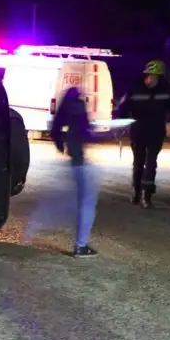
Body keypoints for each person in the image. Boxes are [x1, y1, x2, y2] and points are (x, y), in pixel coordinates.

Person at [115, 59, 170, 208]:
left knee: (151, 164)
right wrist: (120, 125)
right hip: (139, 130)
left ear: (160, 77)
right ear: (146, 74)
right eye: (150, 75)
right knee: (138, 163)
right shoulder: (135, 88)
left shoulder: (165, 91)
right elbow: (123, 108)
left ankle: (146, 196)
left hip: (156, 131)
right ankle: (136, 191)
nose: (151, 79)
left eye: (155, 76)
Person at [48, 86, 99, 258]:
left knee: (81, 199)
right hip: (79, 158)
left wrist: (61, 145)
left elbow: (55, 129)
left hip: (74, 156)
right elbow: (84, 130)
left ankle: (81, 244)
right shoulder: (77, 107)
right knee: (87, 201)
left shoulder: (64, 109)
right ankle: (81, 245)